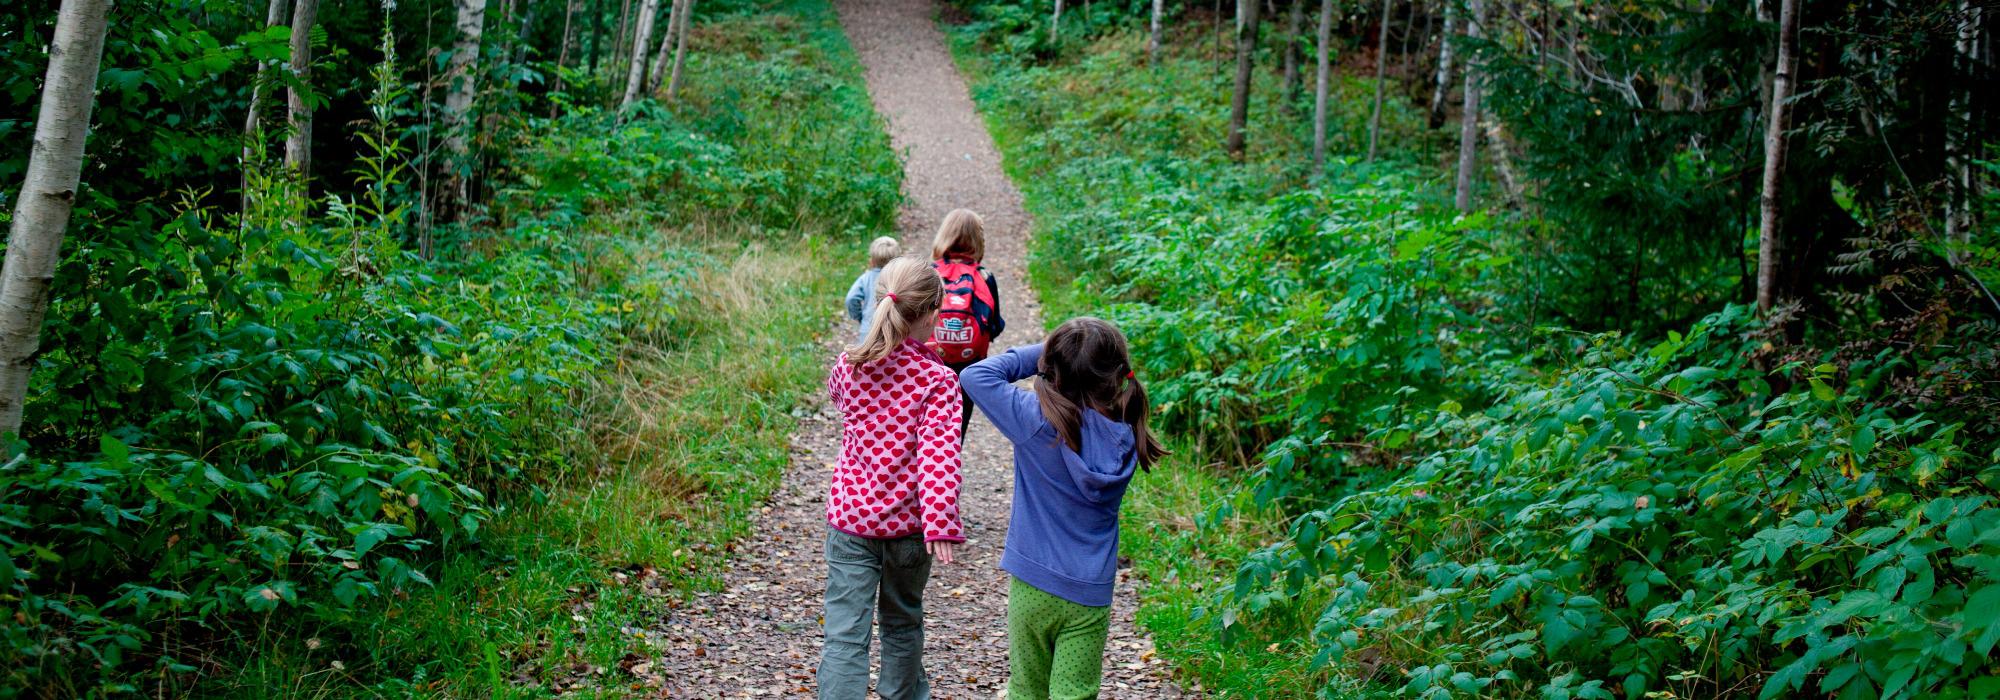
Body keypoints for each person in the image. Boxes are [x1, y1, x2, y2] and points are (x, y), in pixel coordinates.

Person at [959, 318, 1168, 700]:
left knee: (1026, 690)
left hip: (1032, 585)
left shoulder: (1034, 420)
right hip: (1090, 591)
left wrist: (1042, 353)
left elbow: (975, 375)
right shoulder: (1126, 430)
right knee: (1075, 694)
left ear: (1054, 367)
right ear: (1116, 374)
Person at [819, 257, 966, 700]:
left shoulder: (850, 365)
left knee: (845, 634)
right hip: (908, 528)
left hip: (851, 521)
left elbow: (838, 398)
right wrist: (941, 520)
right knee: (902, 624)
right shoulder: (937, 380)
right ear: (928, 314)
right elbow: (939, 456)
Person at [928, 209, 1004, 438]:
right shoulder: (984, 276)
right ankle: (946, 470)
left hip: (929, 364)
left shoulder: (929, 273)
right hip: (967, 370)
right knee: (953, 433)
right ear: (978, 240)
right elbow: (995, 326)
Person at [844, 236, 901, 341]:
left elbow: (851, 299)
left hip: (868, 331)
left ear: (872, 260)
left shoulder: (866, 278)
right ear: (897, 260)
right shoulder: (901, 279)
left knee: (865, 357)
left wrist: (859, 317)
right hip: (894, 332)